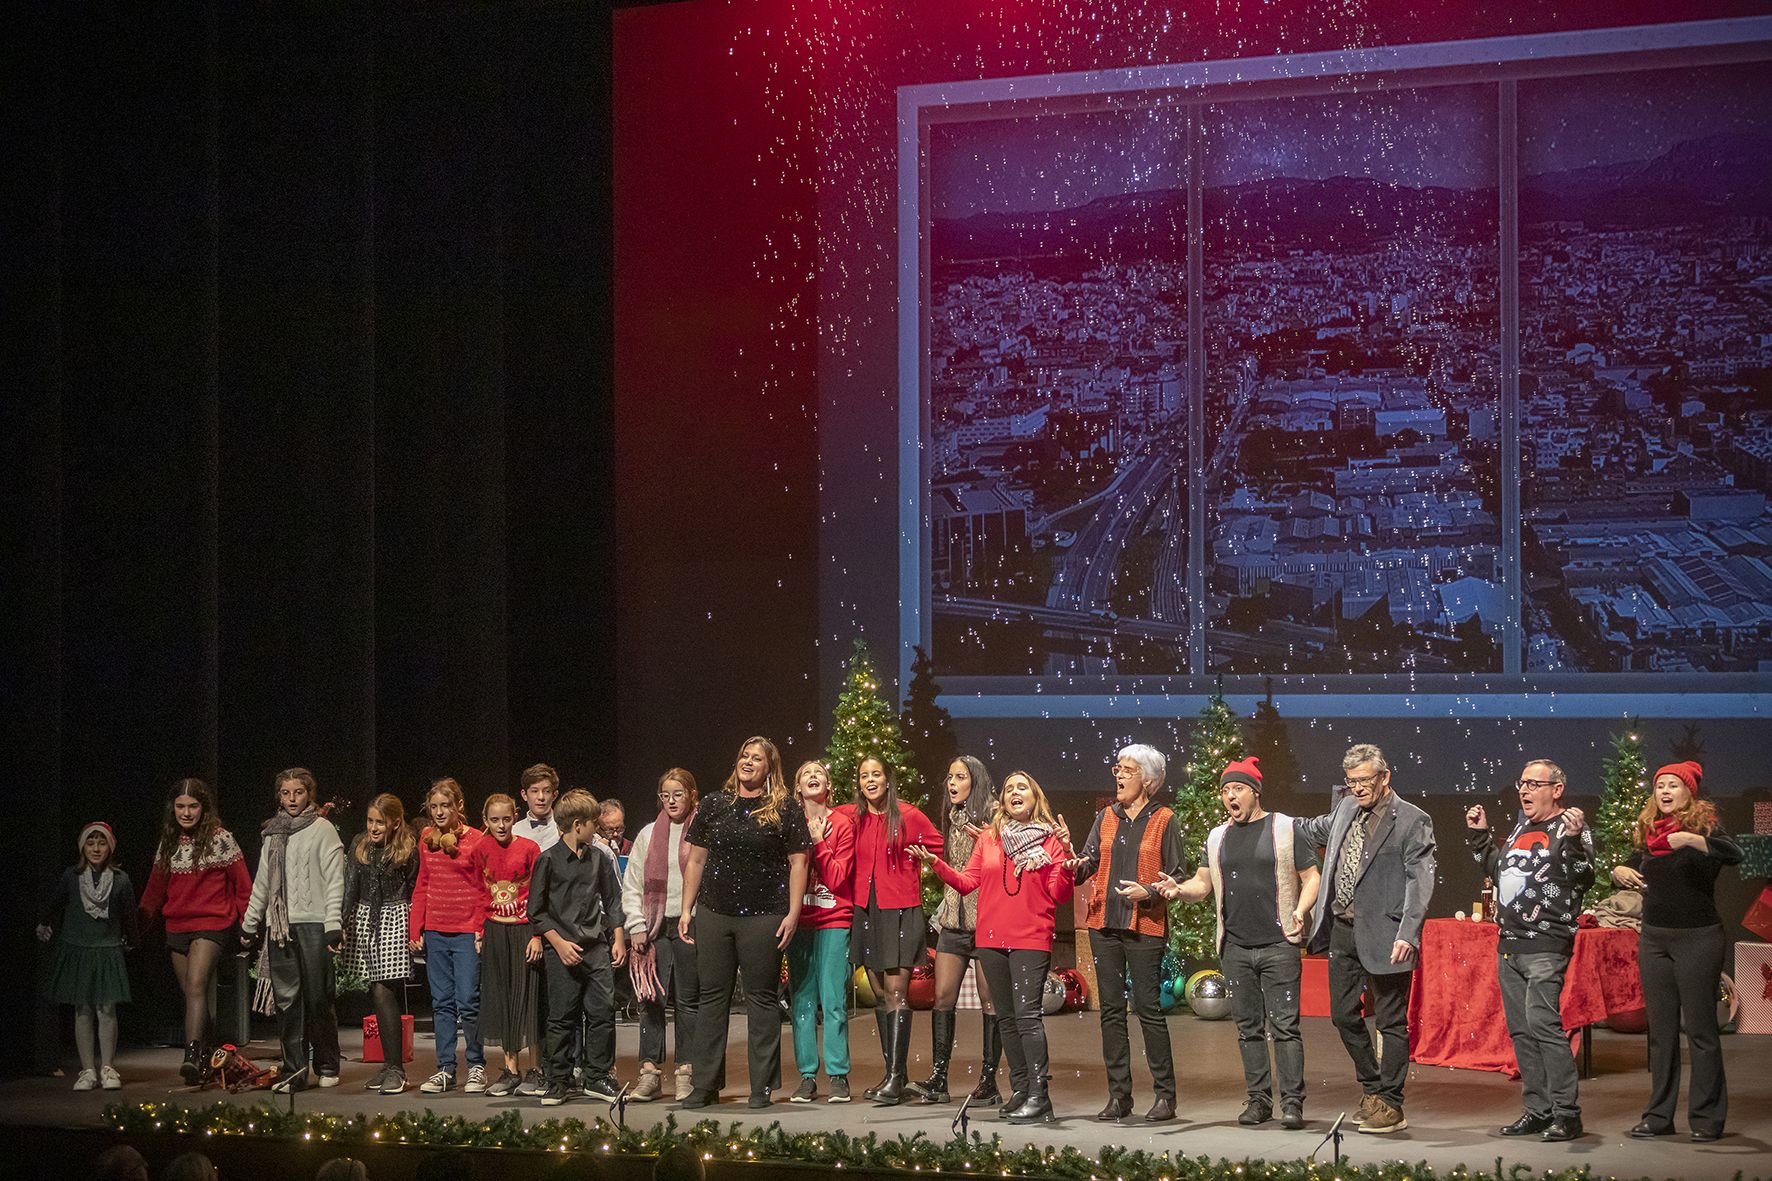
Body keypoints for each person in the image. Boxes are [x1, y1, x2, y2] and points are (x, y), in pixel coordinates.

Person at [1154, 757, 1320, 1130]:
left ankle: (1292, 1102)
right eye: (1225, 790)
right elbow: (1202, 884)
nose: (1230, 796)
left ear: (1254, 792)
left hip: (1279, 944)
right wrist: (1178, 890)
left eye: (1237, 789)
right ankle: (1259, 1100)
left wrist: (1301, 910)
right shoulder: (1217, 837)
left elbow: (1311, 876)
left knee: (1285, 1027)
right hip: (1236, 947)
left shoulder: (1285, 828)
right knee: (1247, 1027)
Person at [913, 770, 1073, 1124]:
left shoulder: (1050, 842)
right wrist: (936, 864)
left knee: (1028, 1016)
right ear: (1002, 800)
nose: (1015, 792)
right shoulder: (990, 838)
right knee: (1007, 1018)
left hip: (1031, 937)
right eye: (1010, 788)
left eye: (1023, 787)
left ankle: (1039, 1095)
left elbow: (1059, 894)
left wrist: (1065, 861)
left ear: (1035, 799)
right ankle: (1020, 1090)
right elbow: (969, 881)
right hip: (990, 938)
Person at [1294, 743, 1436, 1135]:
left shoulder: (1412, 820)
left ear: (1384, 777)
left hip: (1389, 935)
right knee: (1342, 1015)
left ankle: (1391, 1102)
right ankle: (1372, 1088)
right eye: (1350, 782)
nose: (1356, 788)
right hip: (1343, 930)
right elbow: (1310, 829)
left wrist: (1408, 933)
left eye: (1363, 781)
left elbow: (1420, 882)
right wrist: (1266, 820)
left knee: (1390, 1021)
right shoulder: (1345, 809)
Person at [677, 736, 811, 1109]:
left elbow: (799, 861)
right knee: (712, 998)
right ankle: (704, 1085)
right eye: (744, 755)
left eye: (757, 758)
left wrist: (793, 912)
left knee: (761, 999)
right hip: (715, 912)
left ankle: (761, 1087)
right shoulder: (715, 805)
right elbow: (697, 860)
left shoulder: (784, 807)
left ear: (770, 768)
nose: (748, 762)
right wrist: (687, 910)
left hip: (764, 914)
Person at [1611, 760, 1742, 1143]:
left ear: (1689, 792)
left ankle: (1706, 1118)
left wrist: (1693, 841)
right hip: (1654, 939)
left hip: (1698, 938)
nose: (1665, 792)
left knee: (1700, 1031)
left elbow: (1733, 854)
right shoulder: (1651, 833)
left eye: (1673, 785)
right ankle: (1658, 1116)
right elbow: (1636, 866)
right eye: (1660, 786)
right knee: (1661, 1033)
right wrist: (1621, 870)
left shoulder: (1705, 827)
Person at [1465, 759, 1594, 1142]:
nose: (1524, 790)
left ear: (1556, 789)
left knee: (1543, 1026)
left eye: (1534, 784)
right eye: (1522, 782)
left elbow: (1584, 876)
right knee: (1521, 1031)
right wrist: (1481, 837)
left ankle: (1567, 1114)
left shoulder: (1570, 827)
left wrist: (1572, 839)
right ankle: (1538, 1111)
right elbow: (1499, 872)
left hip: (1545, 944)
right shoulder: (1524, 826)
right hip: (1511, 944)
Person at [1066, 743, 1181, 1123]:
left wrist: (1147, 891)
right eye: (1117, 768)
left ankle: (1165, 1096)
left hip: (1145, 925)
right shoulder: (1105, 817)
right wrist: (1073, 862)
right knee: (1111, 1012)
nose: (1118, 775)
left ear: (1147, 780)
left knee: (1148, 1009)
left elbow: (1177, 876)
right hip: (1104, 924)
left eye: (1127, 770)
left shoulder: (1165, 819)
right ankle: (1119, 1097)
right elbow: (1088, 865)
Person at [840, 756, 942, 1105]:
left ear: (888, 779)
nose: (870, 780)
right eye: (864, 775)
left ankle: (897, 1078)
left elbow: (938, 848)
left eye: (876, 774)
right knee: (881, 995)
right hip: (866, 910)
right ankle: (891, 1075)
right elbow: (822, 814)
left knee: (897, 994)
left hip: (899, 909)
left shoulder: (909, 815)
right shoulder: (855, 817)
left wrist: (922, 860)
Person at [138, 778, 252, 1084]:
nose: (186, 812)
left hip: (212, 922)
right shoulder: (169, 842)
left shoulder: (221, 839)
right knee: (191, 994)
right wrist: (135, 927)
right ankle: (211, 1055)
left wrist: (247, 925)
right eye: (180, 806)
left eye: (193, 806)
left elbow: (243, 887)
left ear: (204, 808)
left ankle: (190, 1055)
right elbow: (153, 891)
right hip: (177, 925)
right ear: (172, 808)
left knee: (197, 984)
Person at [240, 768, 346, 1092]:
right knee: (287, 1003)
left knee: (317, 999)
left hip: (314, 924)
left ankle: (327, 1063)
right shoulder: (272, 833)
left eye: (298, 793)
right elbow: (262, 882)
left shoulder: (323, 829)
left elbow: (334, 881)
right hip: (280, 927)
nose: (291, 800)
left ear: (309, 794)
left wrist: (333, 924)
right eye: (285, 793)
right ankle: (293, 1071)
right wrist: (249, 923)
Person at [909, 755, 1001, 1107]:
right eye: (949, 776)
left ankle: (988, 1081)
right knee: (942, 996)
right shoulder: (953, 814)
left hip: (986, 920)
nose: (952, 783)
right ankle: (938, 1078)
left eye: (960, 777)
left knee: (989, 1000)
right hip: (953, 919)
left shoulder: (994, 813)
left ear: (975, 781)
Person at [530, 789, 628, 1106]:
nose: (596, 829)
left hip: (595, 946)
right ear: (577, 825)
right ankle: (558, 1079)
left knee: (601, 1013)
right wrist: (558, 944)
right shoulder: (547, 860)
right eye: (593, 824)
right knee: (561, 1016)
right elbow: (537, 911)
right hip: (562, 949)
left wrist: (617, 938)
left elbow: (613, 901)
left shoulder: (599, 858)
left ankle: (597, 1076)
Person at [37, 821, 138, 1091]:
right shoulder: (72, 876)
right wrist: (44, 922)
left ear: (110, 847)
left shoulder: (120, 879)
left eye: (101, 843)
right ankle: (87, 1070)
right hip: (78, 950)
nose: (96, 848)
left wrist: (131, 940)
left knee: (106, 1009)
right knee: (82, 1010)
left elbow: (129, 914)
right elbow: (56, 902)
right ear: (83, 846)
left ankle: (108, 1067)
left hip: (106, 950)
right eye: (91, 843)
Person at [623, 769, 702, 1102]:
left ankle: (686, 1071)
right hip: (655, 928)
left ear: (692, 796)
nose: (671, 801)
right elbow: (632, 884)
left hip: (690, 925)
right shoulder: (646, 835)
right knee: (651, 1000)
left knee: (688, 1001)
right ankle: (650, 1072)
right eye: (665, 795)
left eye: (678, 794)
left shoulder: (701, 832)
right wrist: (636, 924)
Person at [410, 777, 488, 1094]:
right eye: (434, 806)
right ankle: (445, 1069)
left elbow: (485, 888)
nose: (440, 812)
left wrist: (481, 928)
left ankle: (477, 1065)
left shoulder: (477, 840)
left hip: (466, 930)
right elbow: (422, 884)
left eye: (446, 806)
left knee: (468, 1001)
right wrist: (416, 926)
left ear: (458, 806)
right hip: (436, 931)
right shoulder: (427, 837)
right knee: (441, 1003)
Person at [786, 760, 855, 1104]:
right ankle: (807, 1076)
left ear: (829, 786)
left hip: (834, 918)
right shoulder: (788, 822)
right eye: (806, 774)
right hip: (800, 921)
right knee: (802, 999)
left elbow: (840, 877)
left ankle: (839, 1075)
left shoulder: (841, 824)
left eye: (820, 773)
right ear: (797, 787)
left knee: (833, 999)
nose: (813, 777)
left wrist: (818, 840)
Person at [342, 792, 420, 1095]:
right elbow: (351, 885)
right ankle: (388, 1065)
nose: (373, 828)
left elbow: (414, 888)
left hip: (394, 917)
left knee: (385, 989)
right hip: (365, 918)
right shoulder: (359, 844)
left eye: (380, 822)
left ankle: (396, 1069)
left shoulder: (406, 848)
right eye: (370, 821)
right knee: (376, 992)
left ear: (395, 822)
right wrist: (343, 923)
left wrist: (416, 928)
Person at [474, 793, 544, 1097]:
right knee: (502, 999)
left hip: (524, 930)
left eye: (506, 819)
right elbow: (479, 891)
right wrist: (479, 931)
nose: (501, 825)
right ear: (485, 821)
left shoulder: (529, 848)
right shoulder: (481, 849)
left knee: (528, 1000)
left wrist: (538, 934)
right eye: (494, 820)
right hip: (495, 932)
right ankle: (510, 1069)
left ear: (514, 817)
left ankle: (536, 1070)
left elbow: (541, 895)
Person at [516, 764, 562, 853]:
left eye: (547, 791)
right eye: (534, 791)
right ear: (524, 795)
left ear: (554, 795)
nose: (541, 797)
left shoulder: (566, 829)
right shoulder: (514, 831)